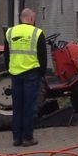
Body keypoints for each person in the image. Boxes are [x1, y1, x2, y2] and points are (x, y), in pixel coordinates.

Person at [4, 8, 47, 147]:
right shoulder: (37, 32)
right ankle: (28, 138)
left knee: (17, 107)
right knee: (29, 107)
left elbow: (6, 54)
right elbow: (42, 56)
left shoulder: (10, 32)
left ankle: (17, 138)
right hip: (31, 74)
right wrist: (42, 73)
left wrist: (10, 69)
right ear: (31, 18)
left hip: (15, 74)